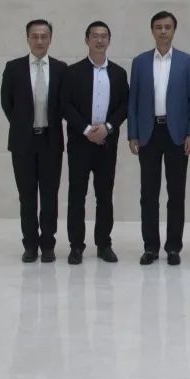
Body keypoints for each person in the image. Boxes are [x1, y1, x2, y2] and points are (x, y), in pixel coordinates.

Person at [128, 11, 190, 266]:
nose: (163, 31)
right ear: (152, 30)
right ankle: (150, 247)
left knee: (176, 193)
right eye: (158, 27)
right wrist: (133, 133)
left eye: (167, 27)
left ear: (174, 30)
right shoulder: (140, 62)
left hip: (176, 134)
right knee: (148, 194)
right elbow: (133, 100)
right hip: (148, 133)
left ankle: (173, 247)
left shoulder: (186, 61)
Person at [60, 21, 129, 264]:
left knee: (105, 195)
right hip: (80, 142)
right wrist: (87, 129)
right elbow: (65, 105)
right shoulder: (72, 72)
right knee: (77, 195)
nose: (100, 40)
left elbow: (124, 105)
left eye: (104, 36)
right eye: (95, 36)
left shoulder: (119, 73)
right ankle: (76, 246)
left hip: (107, 144)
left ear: (109, 40)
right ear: (86, 39)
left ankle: (104, 244)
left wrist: (107, 128)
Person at [0, 19, 67, 262]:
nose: (39, 40)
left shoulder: (61, 69)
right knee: (27, 196)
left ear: (50, 39)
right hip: (23, 142)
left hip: (51, 141)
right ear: (28, 38)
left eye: (44, 36)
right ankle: (29, 244)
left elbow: (64, 103)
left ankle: (48, 245)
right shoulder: (14, 68)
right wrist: (23, 125)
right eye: (35, 36)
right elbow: (7, 103)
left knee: (49, 196)